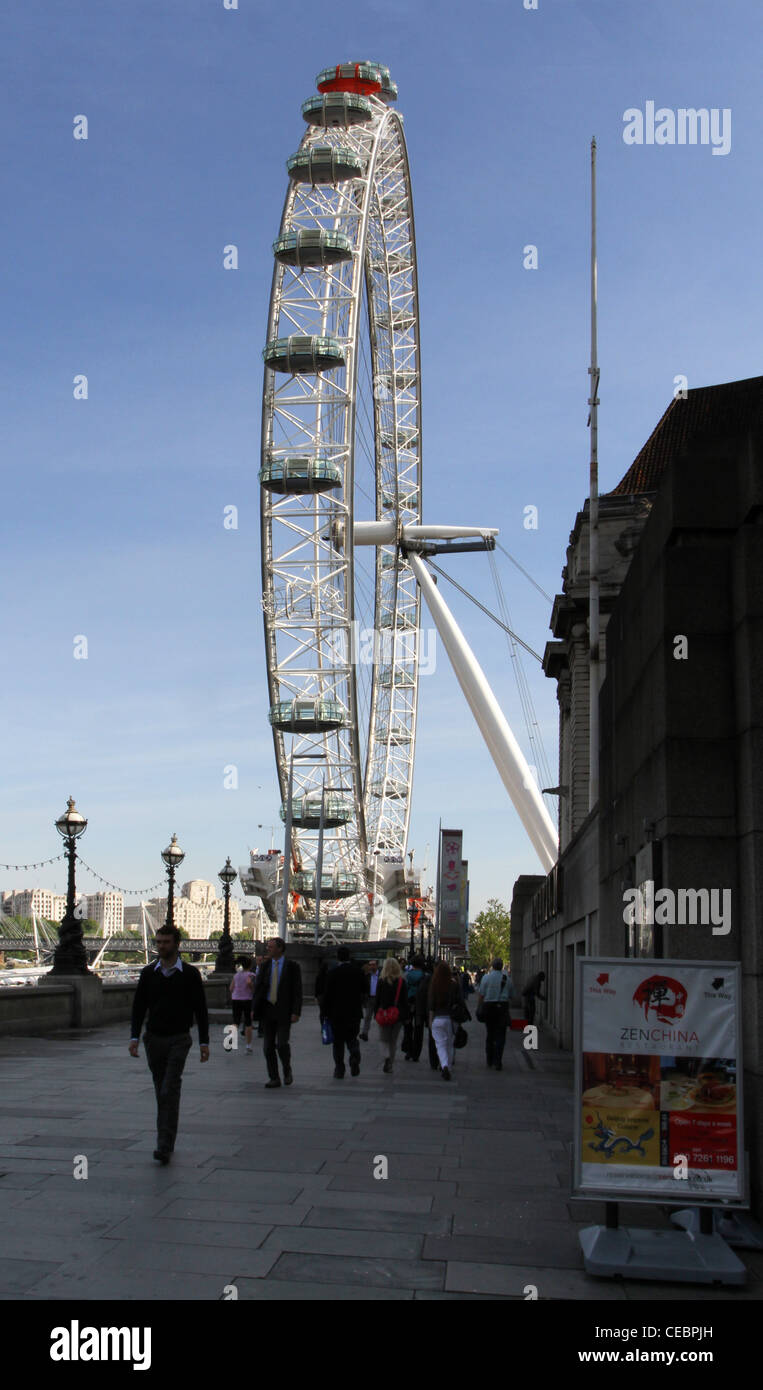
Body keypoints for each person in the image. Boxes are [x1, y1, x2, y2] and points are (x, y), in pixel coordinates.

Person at [128, 925, 209, 1164]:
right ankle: (166, 1139)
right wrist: (134, 1037)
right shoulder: (148, 973)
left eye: (165, 942)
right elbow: (139, 1007)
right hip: (153, 1039)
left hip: (179, 1039)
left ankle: (163, 1145)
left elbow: (201, 1010)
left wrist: (204, 1042)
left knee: (169, 1088)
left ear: (177, 944)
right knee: (160, 1091)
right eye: (158, 942)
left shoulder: (190, 975)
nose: (161, 946)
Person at [252, 937, 302, 1088]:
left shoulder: (292, 966)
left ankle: (287, 1069)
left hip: (284, 1011)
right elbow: (259, 988)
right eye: (268, 947)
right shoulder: (265, 966)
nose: (268, 949)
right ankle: (274, 1077)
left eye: (271, 947)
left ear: (280, 948)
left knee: (281, 1044)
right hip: (267, 1010)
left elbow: (297, 990)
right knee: (267, 1046)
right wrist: (254, 1009)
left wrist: (296, 1011)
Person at [322, 945, 367, 1078]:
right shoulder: (358, 972)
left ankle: (339, 1068)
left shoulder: (332, 973)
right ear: (349, 957)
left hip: (336, 1014)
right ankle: (354, 1055)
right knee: (352, 1038)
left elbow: (327, 994)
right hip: (354, 1013)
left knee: (338, 1042)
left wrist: (324, 1012)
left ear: (338, 957)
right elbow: (365, 989)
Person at [478, 957, 514, 1070]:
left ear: (493, 966)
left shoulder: (486, 978)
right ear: (501, 966)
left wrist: (480, 1007)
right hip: (502, 1007)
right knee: (501, 1035)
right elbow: (512, 995)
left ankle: (489, 1059)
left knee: (490, 1033)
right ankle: (498, 1061)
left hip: (489, 1007)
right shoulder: (507, 979)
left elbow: (481, 994)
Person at [375, 957, 409, 1073]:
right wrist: (406, 1016)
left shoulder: (381, 981)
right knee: (393, 1041)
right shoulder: (401, 982)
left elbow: (377, 1000)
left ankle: (386, 1057)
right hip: (397, 1015)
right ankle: (390, 1064)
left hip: (384, 1013)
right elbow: (405, 1001)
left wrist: (376, 1013)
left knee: (384, 1039)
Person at [428, 963, 461, 1080]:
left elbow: (431, 1006)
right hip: (450, 1018)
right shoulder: (454, 984)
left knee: (440, 1045)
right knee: (450, 1044)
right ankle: (448, 1067)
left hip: (437, 1018)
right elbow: (459, 1001)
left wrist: (430, 1021)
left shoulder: (434, 984)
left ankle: (444, 1065)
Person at [230, 955, 256, 1053]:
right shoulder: (252, 975)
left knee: (236, 1021)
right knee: (248, 1023)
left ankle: (230, 1038)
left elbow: (231, 988)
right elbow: (251, 985)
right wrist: (252, 988)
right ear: (250, 965)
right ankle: (248, 1045)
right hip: (247, 1000)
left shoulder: (236, 975)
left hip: (236, 999)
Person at [402, 954, 426, 1059]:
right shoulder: (425, 976)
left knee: (408, 1027)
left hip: (408, 1003)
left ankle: (408, 1049)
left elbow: (403, 989)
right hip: (420, 1005)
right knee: (419, 1028)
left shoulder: (406, 975)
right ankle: (416, 1053)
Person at [360, 960, 379, 1040]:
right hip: (369, 998)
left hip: (378, 999)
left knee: (379, 1017)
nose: (372, 966)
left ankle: (382, 1034)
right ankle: (365, 1033)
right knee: (367, 1016)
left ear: (377, 965)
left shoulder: (381, 975)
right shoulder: (367, 976)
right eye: (370, 965)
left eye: (373, 965)